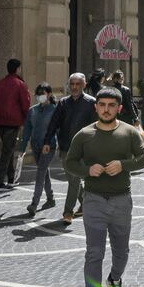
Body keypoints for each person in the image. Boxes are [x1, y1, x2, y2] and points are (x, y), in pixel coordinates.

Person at [64, 86, 144, 287]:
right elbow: (69, 162)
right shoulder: (84, 135)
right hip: (93, 200)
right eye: (102, 105)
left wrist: (123, 165)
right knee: (94, 252)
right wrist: (86, 170)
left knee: (121, 252)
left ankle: (115, 279)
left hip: (122, 199)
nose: (106, 109)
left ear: (119, 108)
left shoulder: (129, 132)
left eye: (111, 105)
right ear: (96, 107)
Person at [49, 73, 97, 224]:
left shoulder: (91, 103)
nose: (75, 87)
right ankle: (85, 204)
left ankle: (67, 212)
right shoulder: (63, 103)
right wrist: (46, 141)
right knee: (72, 179)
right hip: (65, 148)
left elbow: (96, 127)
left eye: (78, 84)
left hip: (83, 149)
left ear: (84, 85)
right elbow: (53, 123)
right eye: (72, 84)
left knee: (74, 180)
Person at [0, 58, 30, 190]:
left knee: (8, 148)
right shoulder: (20, 85)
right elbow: (25, 105)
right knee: (7, 151)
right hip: (13, 122)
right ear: (18, 69)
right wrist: (28, 122)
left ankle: (11, 178)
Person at [22, 82, 59, 216]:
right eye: (38, 94)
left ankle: (34, 204)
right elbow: (27, 129)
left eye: (42, 94)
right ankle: (51, 198)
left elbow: (58, 129)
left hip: (49, 146)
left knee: (40, 173)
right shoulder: (33, 110)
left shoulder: (55, 110)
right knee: (44, 172)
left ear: (49, 94)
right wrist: (22, 148)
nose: (39, 97)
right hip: (36, 145)